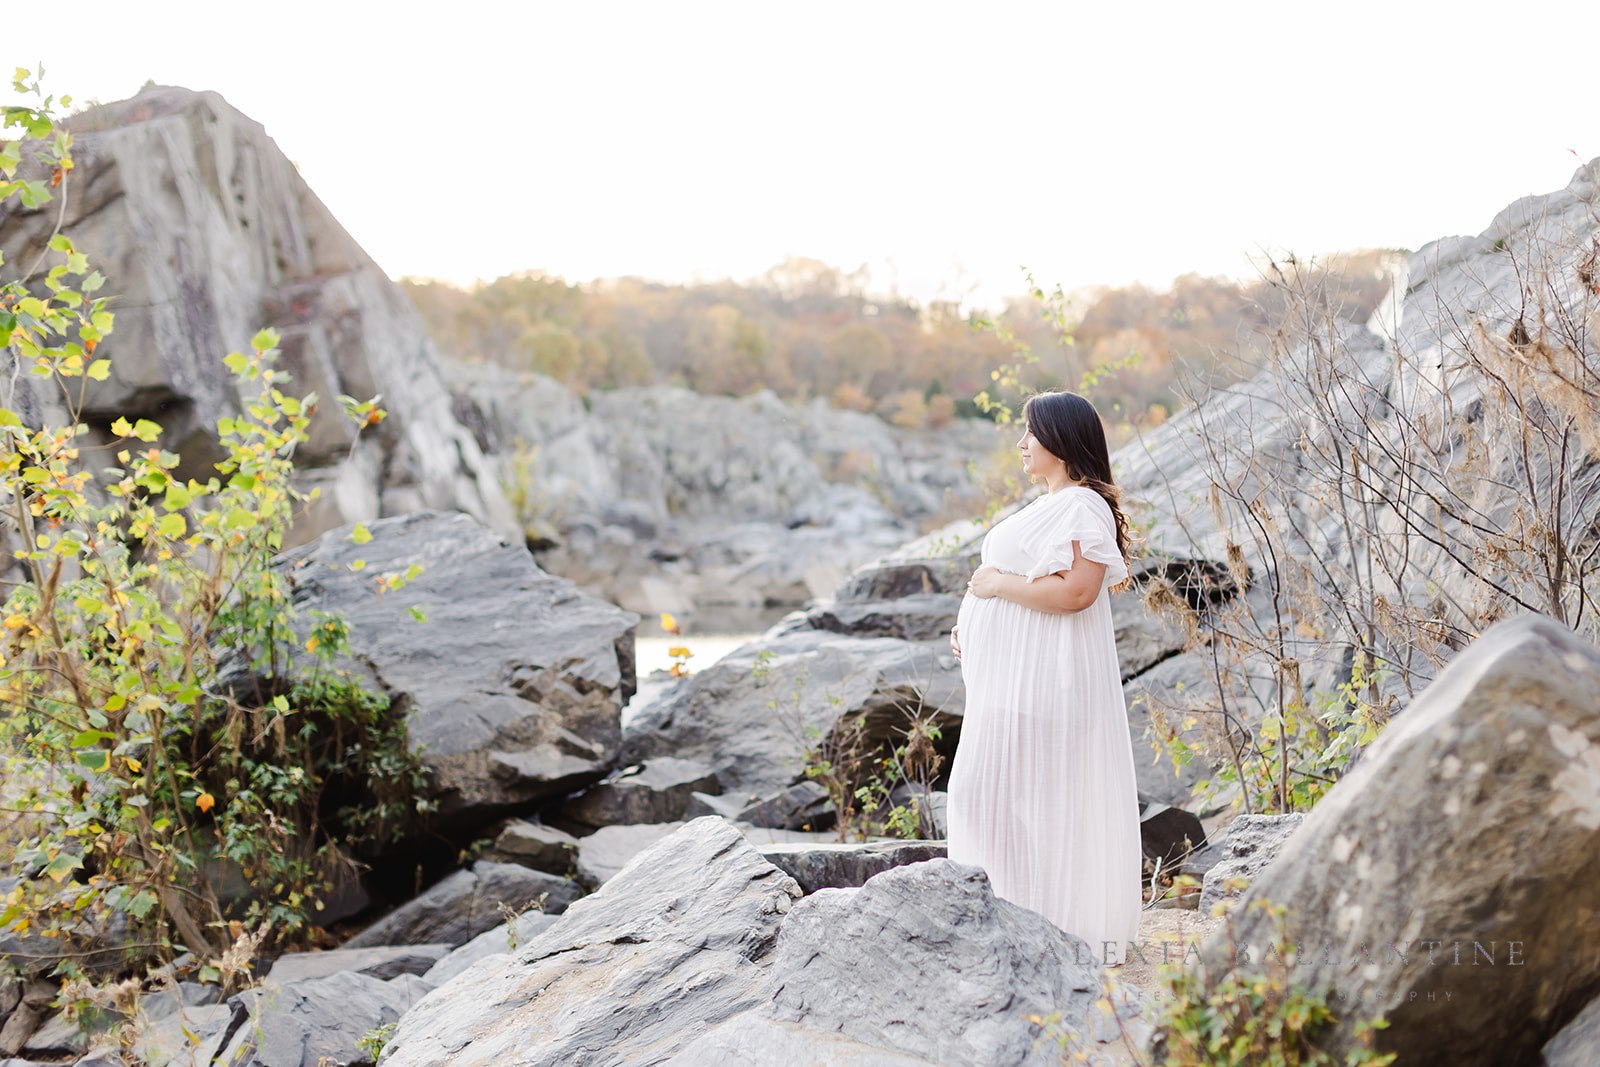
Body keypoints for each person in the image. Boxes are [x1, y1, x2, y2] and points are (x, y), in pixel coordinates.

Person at [945, 389, 1141, 968]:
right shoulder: (1052, 504)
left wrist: (996, 590)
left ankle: (1038, 924)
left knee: (990, 795)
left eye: (1031, 432)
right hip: (1013, 685)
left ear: (1060, 437)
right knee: (999, 798)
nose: (1021, 443)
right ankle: (1025, 919)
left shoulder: (1083, 505)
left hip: (1045, 687)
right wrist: (973, 626)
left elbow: (1078, 593)